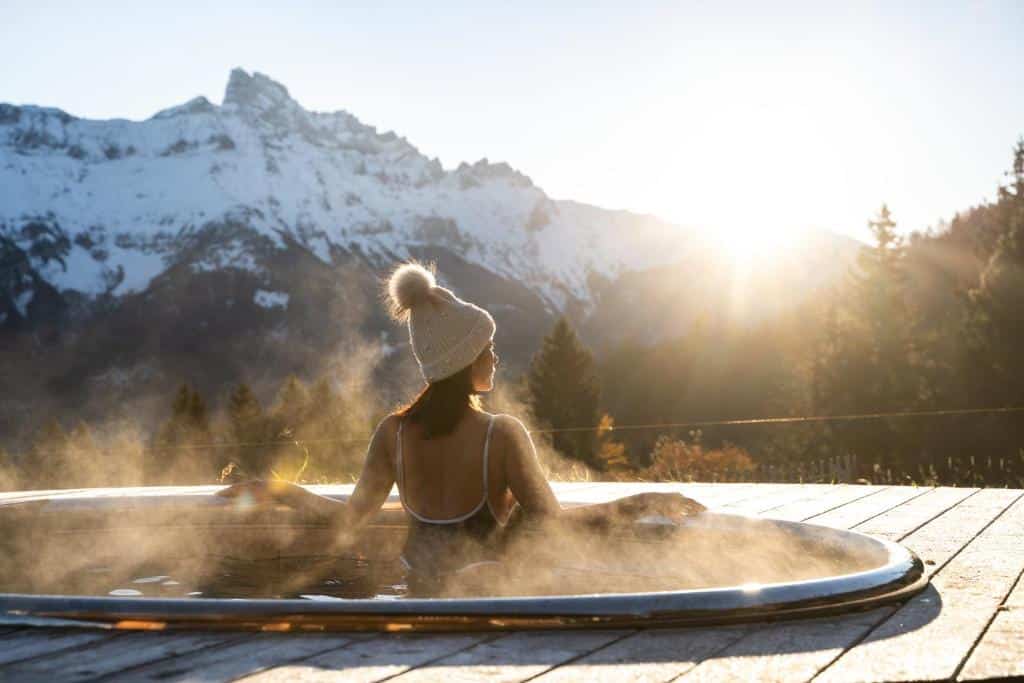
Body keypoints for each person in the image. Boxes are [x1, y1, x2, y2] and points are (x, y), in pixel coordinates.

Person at [220, 262, 704, 595]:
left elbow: (346, 520)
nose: (494, 356)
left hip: (417, 600)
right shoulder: (503, 435)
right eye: (486, 348)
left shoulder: (394, 434)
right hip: (488, 603)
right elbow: (554, 523)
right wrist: (640, 502)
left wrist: (277, 489)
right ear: (462, 360)